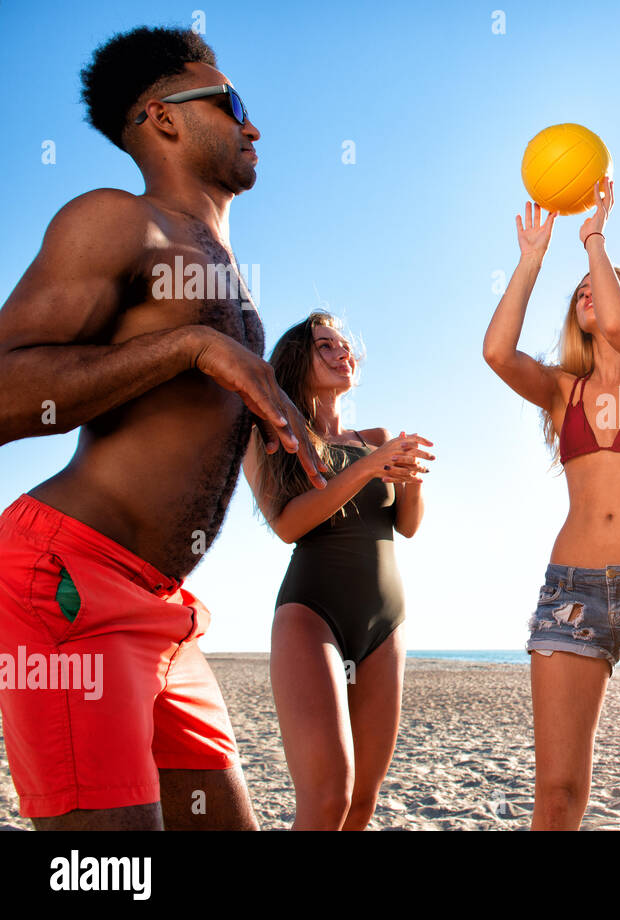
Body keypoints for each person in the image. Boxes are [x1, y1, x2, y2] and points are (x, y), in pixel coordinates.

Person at [0, 26, 327, 830]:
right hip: (71, 581)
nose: (253, 126)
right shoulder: (117, 221)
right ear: (164, 117)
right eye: (232, 104)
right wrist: (188, 346)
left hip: (165, 606)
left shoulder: (219, 263)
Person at [483, 179, 620, 830]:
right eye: (580, 289)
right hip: (570, 593)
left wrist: (594, 239)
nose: (589, 291)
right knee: (557, 795)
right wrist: (532, 259)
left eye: (603, 285)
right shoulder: (563, 391)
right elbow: (496, 352)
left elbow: (616, 324)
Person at [243, 312, 431, 830]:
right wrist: (369, 467)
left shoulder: (376, 438)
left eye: (344, 345)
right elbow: (287, 525)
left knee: (362, 802)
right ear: (297, 360)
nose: (341, 352)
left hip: (385, 620)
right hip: (312, 613)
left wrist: (412, 481)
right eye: (325, 345)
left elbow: (406, 527)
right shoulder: (271, 437)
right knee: (329, 798)